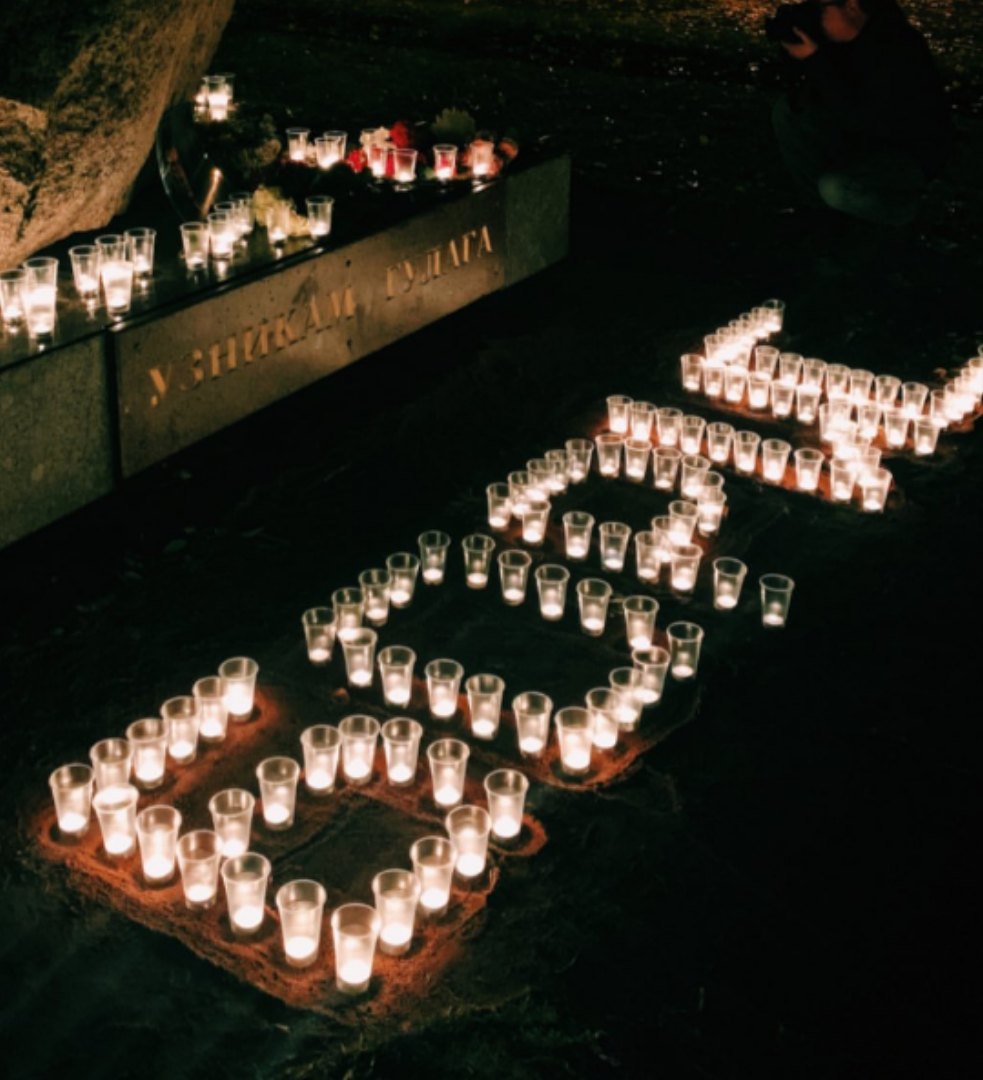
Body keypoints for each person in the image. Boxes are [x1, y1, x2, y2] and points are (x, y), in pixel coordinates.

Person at [772, 0, 951, 228]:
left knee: (835, 188)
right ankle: (818, 208)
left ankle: (902, 210)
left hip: (909, 152)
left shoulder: (896, 48)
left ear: (852, 8)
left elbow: (861, 116)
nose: (819, 17)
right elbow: (818, 96)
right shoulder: (846, 38)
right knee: (789, 112)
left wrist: (815, 60)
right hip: (866, 139)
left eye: (823, 9)